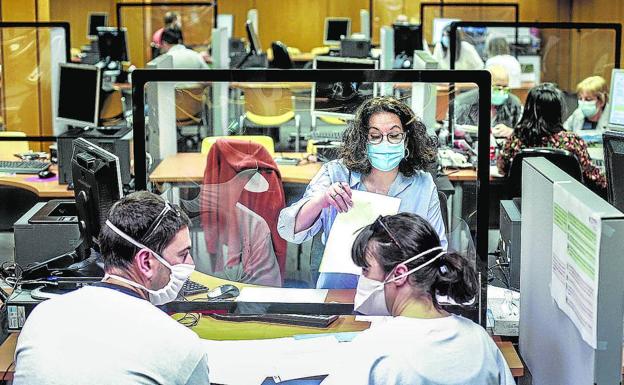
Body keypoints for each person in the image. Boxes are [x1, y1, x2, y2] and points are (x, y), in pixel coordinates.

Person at [13, 191, 210, 385]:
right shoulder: (181, 346)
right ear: (146, 262)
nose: (189, 263)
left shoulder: (42, 316)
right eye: (183, 254)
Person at [323, 213, 515, 385]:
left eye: (366, 269)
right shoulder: (481, 342)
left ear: (399, 275)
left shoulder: (372, 350)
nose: (362, 278)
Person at [278, 96, 447, 289]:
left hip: (399, 296)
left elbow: (436, 252)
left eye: (394, 135)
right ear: (363, 140)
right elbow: (289, 230)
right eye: (375, 136)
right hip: (339, 295)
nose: (385, 143)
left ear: (406, 139)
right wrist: (321, 201)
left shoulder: (423, 185)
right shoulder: (336, 173)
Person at [497, 83, 607, 191]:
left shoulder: (515, 141)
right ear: (558, 110)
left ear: (528, 109)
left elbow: (503, 169)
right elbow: (593, 177)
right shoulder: (572, 142)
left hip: (524, 203)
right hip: (564, 205)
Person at [454, 65, 522, 138]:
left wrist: (512, 132)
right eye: (497, 87)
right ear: (484, 84)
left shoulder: (513, 104)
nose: (502, 92)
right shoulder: (463, 103)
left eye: (505, 88)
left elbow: (521, 133)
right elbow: (453, 131)